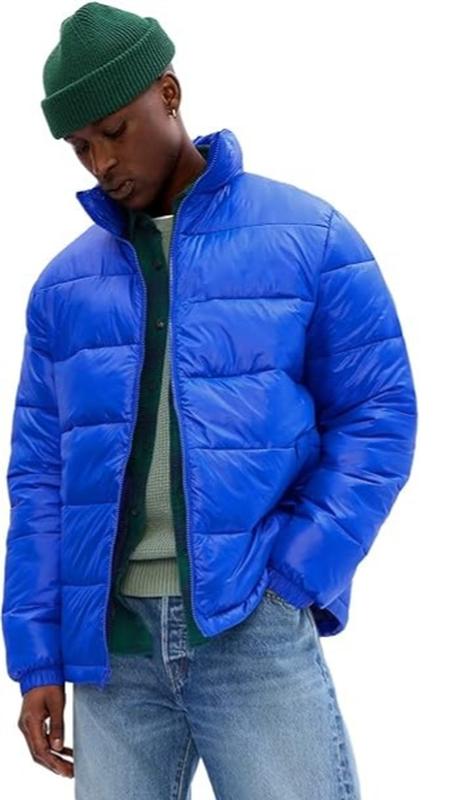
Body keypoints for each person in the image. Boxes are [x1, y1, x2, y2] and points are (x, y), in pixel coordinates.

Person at [1, 2, 418, 798]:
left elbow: (378, 416)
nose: (101, 163)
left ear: (168, 92)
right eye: (80, 147)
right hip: (113, 650)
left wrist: (294, 576)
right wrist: (39, 657)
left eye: (114, 131)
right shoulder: (62, 288)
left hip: (248, 624)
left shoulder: (309, 238)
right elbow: (41, 479)